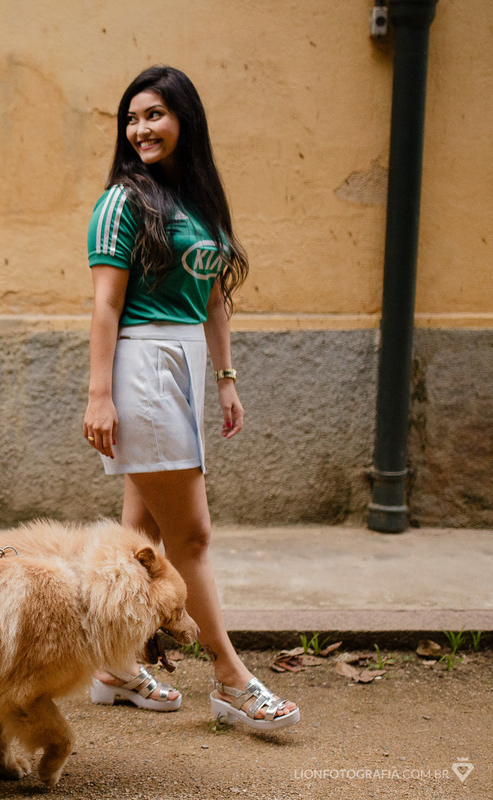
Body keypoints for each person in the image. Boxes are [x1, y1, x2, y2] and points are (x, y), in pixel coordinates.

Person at [82, 65, 299, 731]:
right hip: (143, 365)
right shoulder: (124, 202)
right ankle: (231, 678)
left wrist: (227, 379)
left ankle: (114, 667)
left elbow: (214, 298)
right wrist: (99, 395)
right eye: (132, 117)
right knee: (193, 535)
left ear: (185, 121)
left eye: (154, 115)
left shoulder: (200, 203)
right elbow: (105, 305)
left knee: (141, 533)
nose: (140, 129)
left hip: (186, 366)